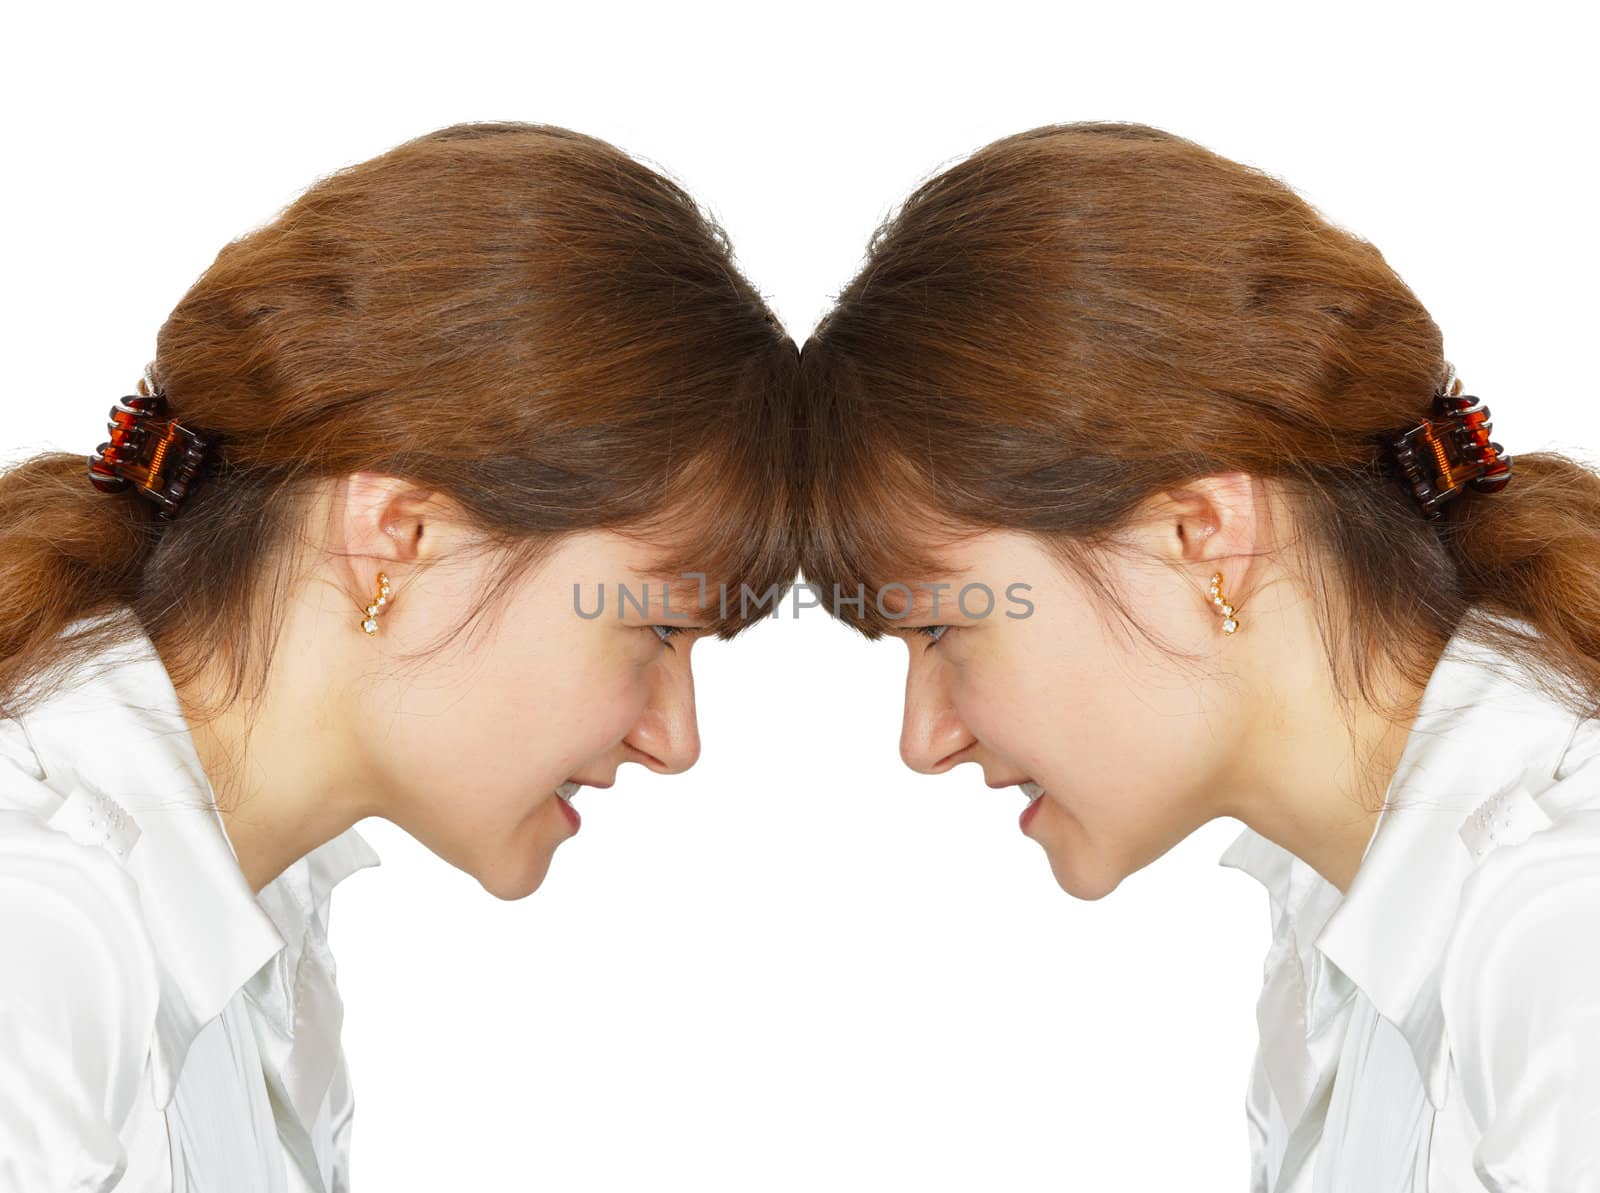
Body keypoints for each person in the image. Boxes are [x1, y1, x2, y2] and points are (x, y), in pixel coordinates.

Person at [796, 121, 1600, 1191]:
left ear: (1197, 535)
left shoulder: (1560, 938)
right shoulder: (1337, 937)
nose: (922, 739)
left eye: (943, 625)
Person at [0, 121, 799, 1192]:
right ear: (401, 535)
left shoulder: (257, 926)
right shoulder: (38, 938)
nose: (676, 738)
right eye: (656, 626)